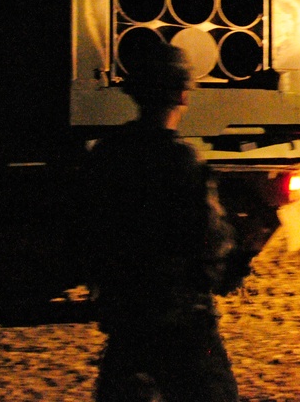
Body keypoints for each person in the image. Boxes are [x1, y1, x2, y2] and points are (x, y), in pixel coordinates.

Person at [84, 42, 240, 402]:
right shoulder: (181, 160)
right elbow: (210, 239)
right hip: (181, 320)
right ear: (183, 95)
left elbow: (86, 229)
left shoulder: (107, 153)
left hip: (127, 318)